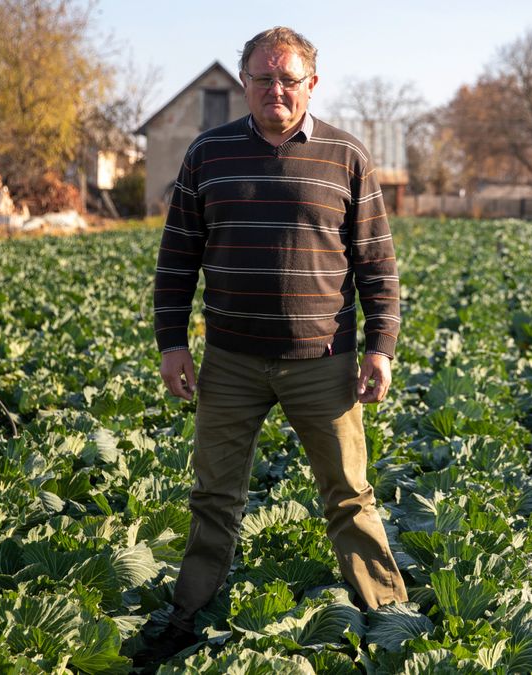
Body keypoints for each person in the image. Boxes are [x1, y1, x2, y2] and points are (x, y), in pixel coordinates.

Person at [147, 26, 407, 655]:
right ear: (245, 83)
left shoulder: (346, 155)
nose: (276, 90)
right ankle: (186, 618)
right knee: (213, 496)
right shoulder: (208, 154)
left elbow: (375, 261)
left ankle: (391, 618)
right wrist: (172, 342)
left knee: (349, 496)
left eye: (289, 79)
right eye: (263, 78)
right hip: (231, 360)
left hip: (324, 361)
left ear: (311, 85)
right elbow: (178, 254)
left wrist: (381, 346)